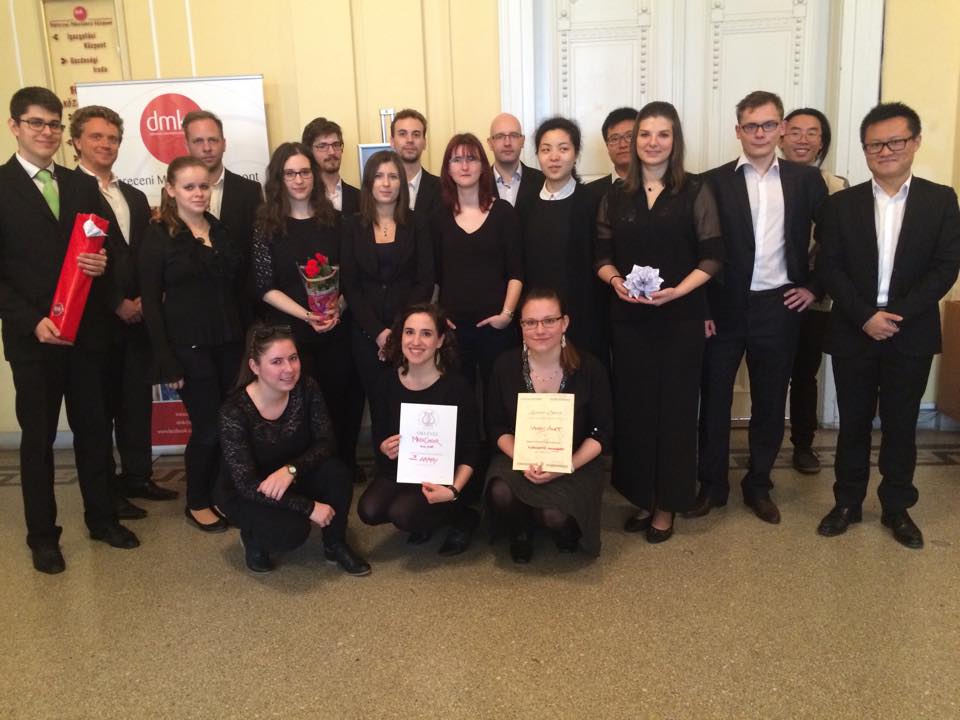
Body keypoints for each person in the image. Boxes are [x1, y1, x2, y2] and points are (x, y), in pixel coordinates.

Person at [0, 86, 139, 573]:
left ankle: (102, 519)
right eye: (36, 123)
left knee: (94, 432)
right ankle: (43, 536)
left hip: (87, 335)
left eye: (54, 124)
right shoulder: (1, 186)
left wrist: (101, 264)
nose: (47, 132)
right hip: (33, 339)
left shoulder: (81, 186)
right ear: (15, 126)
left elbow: (109, 250)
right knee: (38, 442)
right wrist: (30, 321)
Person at [815, 102, 960, 549]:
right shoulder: (841, 205)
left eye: (895, 141)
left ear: (915, 143)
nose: (885, 151)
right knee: (853, 423)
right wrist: (865, 316)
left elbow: (945, 266)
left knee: (901, 424)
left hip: (909, 331)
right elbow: (829, 266)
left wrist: (896, 315)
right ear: (865, 150)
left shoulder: (940, 200)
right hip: (854, 327)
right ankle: (847, 502)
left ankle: (897, 507)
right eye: (875, 144)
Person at [692, 90, 827, 524]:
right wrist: (704, 309)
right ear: (738, 131)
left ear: (781, 128)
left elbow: (835, 239)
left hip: (779, 306)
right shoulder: (712, 181)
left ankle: (759, 485)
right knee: (714, 400)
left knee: (770, 402)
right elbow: (699, 249)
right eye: (751, 126)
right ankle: (712, 485)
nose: (760, 133)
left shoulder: (805, 181)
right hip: (724, 308)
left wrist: (813, 288)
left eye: (769, 124)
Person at [595, 101, 723, 541]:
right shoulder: (616, 195)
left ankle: (667, 505)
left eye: (662, 134)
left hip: (680, 319)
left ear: (675, 140)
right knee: (634, 411)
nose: (653, 142)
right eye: (645, 134)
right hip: (629, 320)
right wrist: (614, 281)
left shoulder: (695, 190)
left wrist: (679, 292)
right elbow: (601, 255)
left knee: (675, 413)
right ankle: (642, 497)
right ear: (634, 141)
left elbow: (713, 256)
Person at [71, 104, 179, 521]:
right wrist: (116, 302)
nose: (106, 144)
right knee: (98, 415)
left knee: (136, 405)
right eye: (96, 136)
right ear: (77, 141)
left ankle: (137, 476)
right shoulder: (70, 191)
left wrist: (145, 301)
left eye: (113, 138)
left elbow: (144, 255)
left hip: (139, 319)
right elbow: (74, 260)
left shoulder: (132, 195)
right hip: (96, 322)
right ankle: (106, 495)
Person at [250, 142, 366, 484]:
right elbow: (264, 285)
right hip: (291, 335)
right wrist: (306, 315)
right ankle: (307, 474)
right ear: (279, 179)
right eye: (290, 174)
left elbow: (352, 276)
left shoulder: (336, 222)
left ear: (314, 176)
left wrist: (336, 308)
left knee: (342, 401)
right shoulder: (267, 227)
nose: (298, 180)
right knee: (301, 407)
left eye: (304, 172)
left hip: (336, 328)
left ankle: (343, 467)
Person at [139, 156, 244, 533]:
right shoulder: (158, 236)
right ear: (171, 189)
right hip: (189, 348)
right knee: (207, 428)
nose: (198, 193)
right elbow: (151, 304)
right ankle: (197, 501)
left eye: (203, 186)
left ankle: (219, 493)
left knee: (229, 425)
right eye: (189, 187)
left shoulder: (219, 229)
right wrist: (166, 360)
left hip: (229, 344)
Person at [217, 324, 370, 574]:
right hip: (251, 490)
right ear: (255, 366)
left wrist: (291, 470)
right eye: (276, 362)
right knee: (292, 532)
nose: (289, 369)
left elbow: (326, 442)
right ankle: (253, 538)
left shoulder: (306, 387)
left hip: (292, 474)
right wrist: (309, 507)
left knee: (337, 473)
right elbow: (246, 484)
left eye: (293, 358)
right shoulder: (233, 411)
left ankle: (335, 543)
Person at [485, 288, 613, 562]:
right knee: (500, 492)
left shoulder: (590, 368)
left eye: (549, 320)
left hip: (576, 459)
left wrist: (567, 465)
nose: (540, 330)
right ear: (521, 326)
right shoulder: (504, 366)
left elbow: (603, 432)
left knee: (554, 515)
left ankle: (559, 527)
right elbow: (496, 426)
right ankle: (520, 530)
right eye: (530, 322)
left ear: (564, 323)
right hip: (518, 456)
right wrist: (522, 458)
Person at [357, 303, 482, 555]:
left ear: (440, 340)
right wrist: (384, 447)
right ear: (400, 336)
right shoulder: (386, 382)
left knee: (402, 514)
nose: (416, 341)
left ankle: (463, 516)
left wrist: (453, 489)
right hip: (403, 469)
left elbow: (472, 450)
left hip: (446, 476)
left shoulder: (457, 387)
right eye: (409, 332)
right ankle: (424, 516)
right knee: (368, 510)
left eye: (426, 333)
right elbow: (381, 435)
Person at [779, 108, 849, 474]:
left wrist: (815, 288)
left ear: (822, 142)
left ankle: (803, 444)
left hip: (813, 295)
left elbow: (838, 247)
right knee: (767, 372)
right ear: (781, 136)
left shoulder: (836, 186)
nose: (803, 139)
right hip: (767, 294)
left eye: (812, 133)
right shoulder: (764, 178)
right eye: (795, 131)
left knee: (805, 373)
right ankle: (763, 445)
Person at [431, 132, 523, 391]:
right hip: (453, 329)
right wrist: (437, 317)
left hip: (497, 327)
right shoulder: (437, 217)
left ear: (483, 166)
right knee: (459, 396)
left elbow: (517, 272)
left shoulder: (503, 213)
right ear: (448, 169)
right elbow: (434, 276)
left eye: (471, 159)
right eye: (457, 160)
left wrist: (506, 316)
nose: (464, 166)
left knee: (501, 396)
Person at [340, 150, 434, 401]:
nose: (386, 183)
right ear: (369, 183)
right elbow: (350, 285)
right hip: (366, 333)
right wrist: (379, 333)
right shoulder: (351, 226)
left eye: (393, 177)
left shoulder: (418, 223)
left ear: (401, 183)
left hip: (409, 333)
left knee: (409, 400)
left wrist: (398, 329)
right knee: (377, 401)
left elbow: (425, 280)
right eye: (379, 176)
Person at [522, 116, 604, 359]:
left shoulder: (592, 201)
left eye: (563, 149)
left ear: (576, 153)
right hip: (538, 317)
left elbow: (601, 258)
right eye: (546, 150)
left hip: (584, 312)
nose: (554, 157)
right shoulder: (526, 203)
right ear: (538, 155)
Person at [182, 110, 263, 323]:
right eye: (198, 141)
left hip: (242, 308)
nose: (207, 148)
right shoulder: (174, 195)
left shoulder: (250, 191)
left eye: (213, 140)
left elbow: (257, 253)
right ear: (187, 145)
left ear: (224, 143)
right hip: (193, 312)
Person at [486, 112, 545, 216]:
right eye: (500, 136)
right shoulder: (478, 184)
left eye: (513, 135)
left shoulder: (544, 182)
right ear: (490, 143)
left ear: (522, 141)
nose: (507, 143)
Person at [302, 116, 360, 214]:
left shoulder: (360, 197)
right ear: (309, 151)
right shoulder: (303, 198)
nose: (331, 152)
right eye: (322, 146)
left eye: (336, 145)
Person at [390, 108, 441, 215]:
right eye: (402, 134)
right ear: (392, 141)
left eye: (416, 134)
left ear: (424, 142)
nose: (410, 140)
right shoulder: (380, 189)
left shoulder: (442, 188)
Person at [586, 107, 638, 205]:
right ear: (607, 146)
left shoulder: (660, 188)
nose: (622, 144)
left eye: (630, 136)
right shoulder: (589, 193)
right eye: (614, 139)